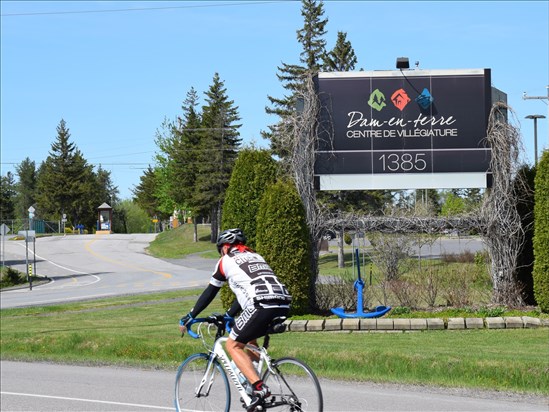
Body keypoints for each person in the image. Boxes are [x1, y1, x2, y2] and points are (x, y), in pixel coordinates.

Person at [179, 228, 292, 412]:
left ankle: (258, 388)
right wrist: (229, 315)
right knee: (249, 341)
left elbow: (210, 292)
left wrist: (190, 316)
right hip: (283, 303)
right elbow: (246, 292)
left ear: (225, 247)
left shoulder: (226, 261)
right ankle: (253, 389)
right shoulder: (256, 256)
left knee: (232, 345)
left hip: (260, 305)